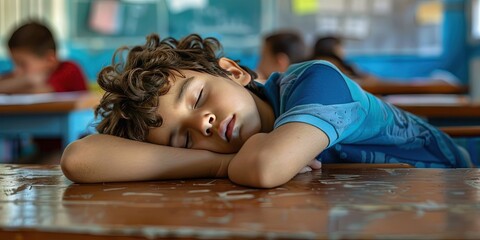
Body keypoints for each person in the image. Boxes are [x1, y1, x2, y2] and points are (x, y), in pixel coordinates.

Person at [60, 33, 472, 188]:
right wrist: (216, 167)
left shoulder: (316, 79)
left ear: (234, 72)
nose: (202, 123)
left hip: (456, 186)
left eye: (199, 97)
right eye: (184, 139)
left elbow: (264, 169)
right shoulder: (225, 155)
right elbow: (80, 159)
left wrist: (226, 163)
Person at [0, 21, 88, 93]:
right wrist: (29, 80)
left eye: (22, 64)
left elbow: (41, 92)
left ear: (49, 59)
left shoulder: (70, 70)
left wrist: (29, 80)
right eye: (14, 64)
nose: (16, 71)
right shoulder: (23, 74)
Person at [312, 36, 378, 84]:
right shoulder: (333, 64)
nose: (343, 50)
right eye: (340, 46)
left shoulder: (310, 64)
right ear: (333, 48)